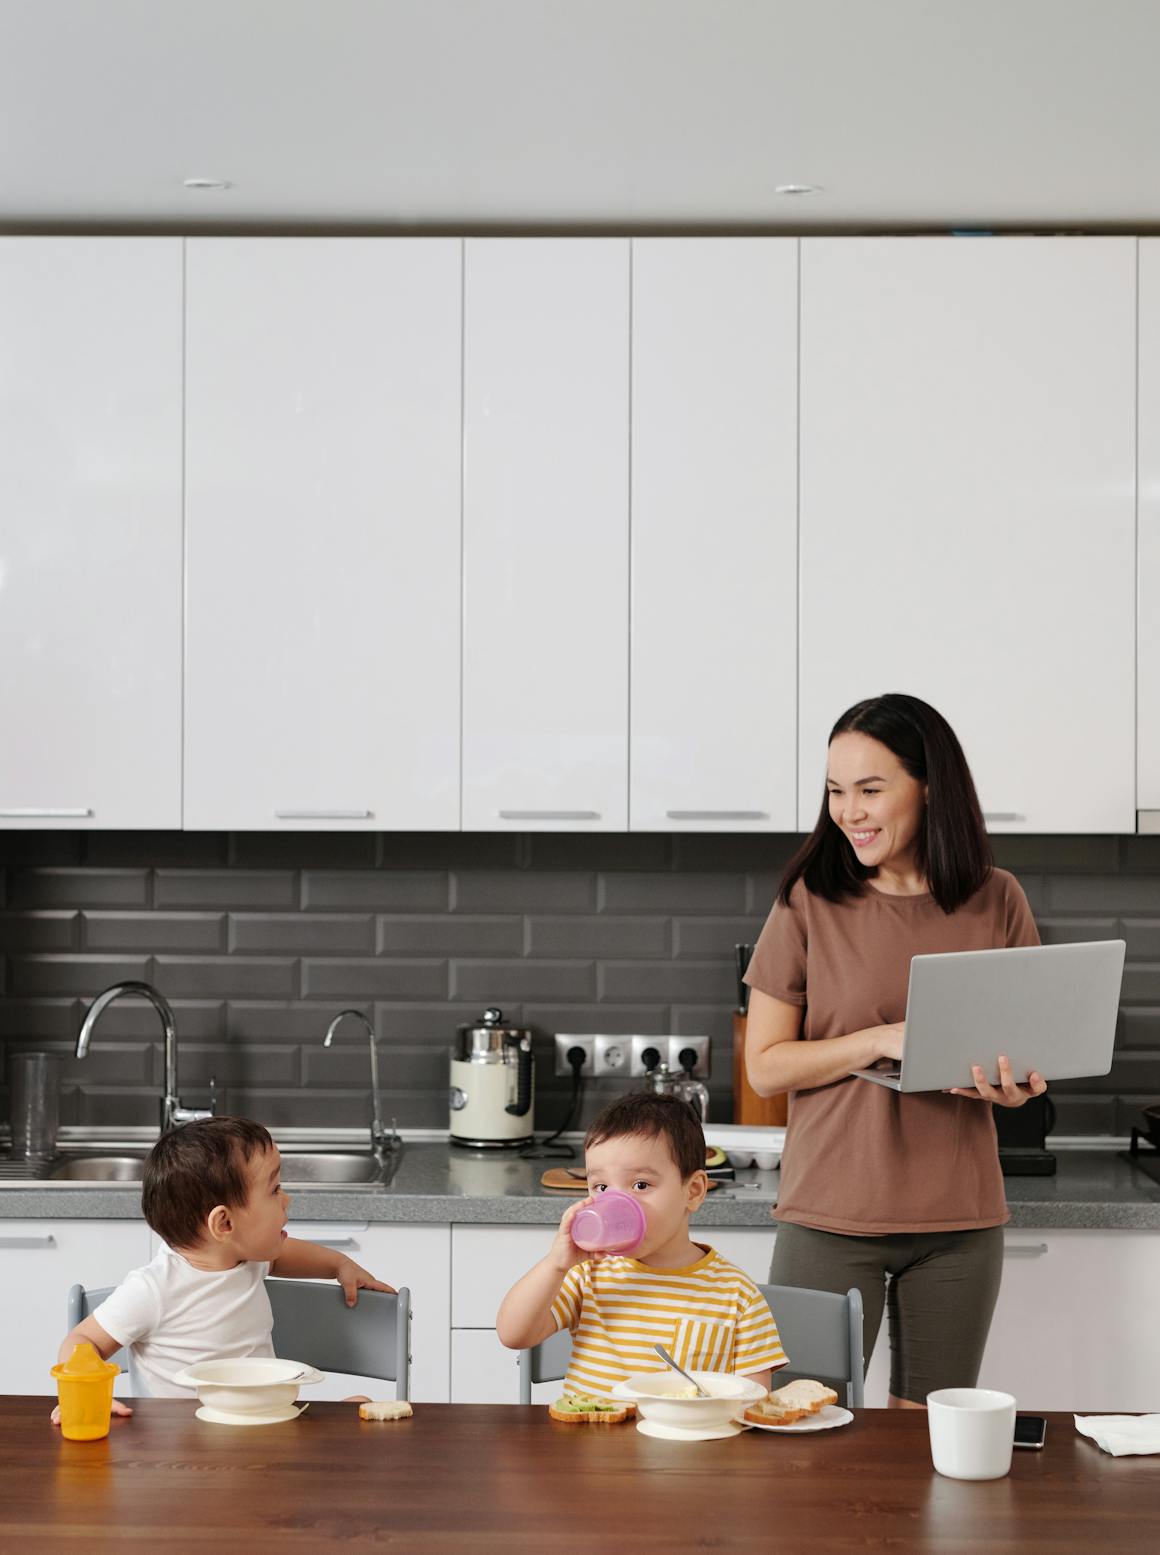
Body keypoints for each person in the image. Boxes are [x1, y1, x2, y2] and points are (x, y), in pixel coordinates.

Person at [745, 691, 1047, 1410]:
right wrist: (880, 1039)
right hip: (829, 1214)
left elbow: (1027, 1057)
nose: (849, 811)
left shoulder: (997, 898)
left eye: (871, 789)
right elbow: (765, 1063)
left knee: (928, 1447)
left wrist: (1015, 1087)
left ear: (929, 788)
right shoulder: (808, 901)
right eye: (836, 791)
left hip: (960, 1222)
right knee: (801, 1434)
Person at [50, 1116, 395, 1420]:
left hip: (264, 1425)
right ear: (225, 1223)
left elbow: (285, 1253)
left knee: (356, 1407)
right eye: (274, 1189)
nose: (287, 1198)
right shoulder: (153, 1289)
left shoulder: (249, 1257)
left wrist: (339, 1264)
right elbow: (82, 1339)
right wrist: (81, 1395)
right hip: (182, 1453)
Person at [496, 1092, 786, 1396]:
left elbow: (754, 1403)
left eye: (641, 1185)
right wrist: (556, 1264)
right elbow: (513, 1334)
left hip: (691, 1442)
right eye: (602, 1187)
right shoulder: (588, 1275)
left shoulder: (737, 1295)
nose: (617, 1202)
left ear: (694, 1191)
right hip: (591, 1441)